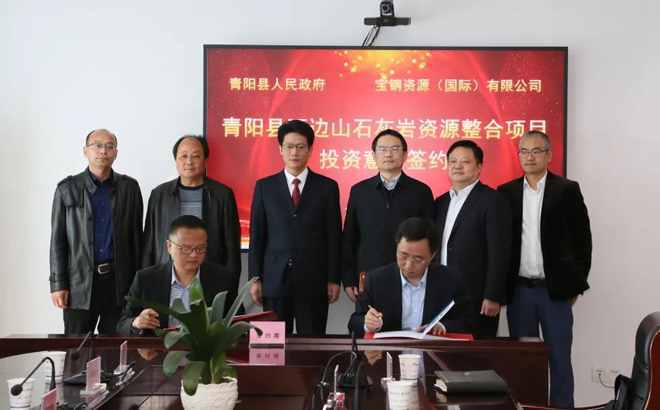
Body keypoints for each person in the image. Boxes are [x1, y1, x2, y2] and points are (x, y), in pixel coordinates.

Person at [498, 130, 592, 407]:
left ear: (548, 155)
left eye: (536, 151)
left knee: (559, 359)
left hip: (555, 291)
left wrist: (575, 285)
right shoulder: (507, 192)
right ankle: (528, 406)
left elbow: (582, 241)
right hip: (521, 291)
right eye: (524, 152)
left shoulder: (566, 189)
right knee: (524, 360)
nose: (529, 157)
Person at [248, 120, 342, 335]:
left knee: (312, 344)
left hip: (314, 280)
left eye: (300, 146)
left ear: (310, 150)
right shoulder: (264, 187)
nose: (294, 152)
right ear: (280, 149)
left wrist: (333, 278)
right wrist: (255, 279)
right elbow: (257, 237)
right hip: (274, 280)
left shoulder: (327, 187)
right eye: (289, 146)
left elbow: (334, 236)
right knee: (271, 345)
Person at [50, 129, 143, 334]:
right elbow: (58, 241)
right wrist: (58, 284)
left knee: (118, 344)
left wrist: (140, 285)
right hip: (79, 283)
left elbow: (137, 241)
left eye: (109, 146)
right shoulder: (66, 189)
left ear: (116, 153)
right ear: (85, 151)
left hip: (119, 283)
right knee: (77, 346)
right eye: (97, 145)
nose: (103, 151)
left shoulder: (130, 188)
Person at [342, 129, 434, 301]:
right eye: (382, 149)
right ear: (373, 155)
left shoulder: (421, 192)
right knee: (370, 319)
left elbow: (431, 239)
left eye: (395, 149)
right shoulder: (359, 191)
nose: (388, 154)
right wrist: (348, 278)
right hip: (369, 278)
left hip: (412, 278)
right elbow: (349, 238)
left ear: (405, 155)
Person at [142, 135, 241, 292]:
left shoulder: (222, 195)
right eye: (183, 156)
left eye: (195, 156)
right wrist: (147, 281)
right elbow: (149, 243)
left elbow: (232, 246)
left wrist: (230, 284)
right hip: (168, 277)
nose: (189, 162)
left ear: (205, 160)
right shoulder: (159, 195)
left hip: (210, 277)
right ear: (176, 160)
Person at [434, 140, 512, 339]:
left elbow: (500, 253)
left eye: (465, 161)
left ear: (479, 167)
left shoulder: (493, 200)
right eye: (453, 161)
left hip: (477, 297)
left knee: (477, 351)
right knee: (443, 350)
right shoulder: (440, 202)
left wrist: (493, 295)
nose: (457, 166)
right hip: (442, 295)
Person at [348, 217, 473, 337]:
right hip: (390, 350)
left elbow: (468, 322)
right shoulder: (376, 280)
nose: (409, 265)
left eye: (418, 259)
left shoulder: (451, 280)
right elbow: (354, 322)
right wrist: (367, 324)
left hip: (432, 350)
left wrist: (443, 326)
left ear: (432, 255)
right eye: (403, 256)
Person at [118, 215, 241, 336]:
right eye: (186, 248)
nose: (194, 254)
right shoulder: (146, 279)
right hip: (160, 347)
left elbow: (239, 323)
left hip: (207, 348)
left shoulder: (223, 279)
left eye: (200, 248)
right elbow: (123, 323)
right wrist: (136, 322)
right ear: (169, 246)